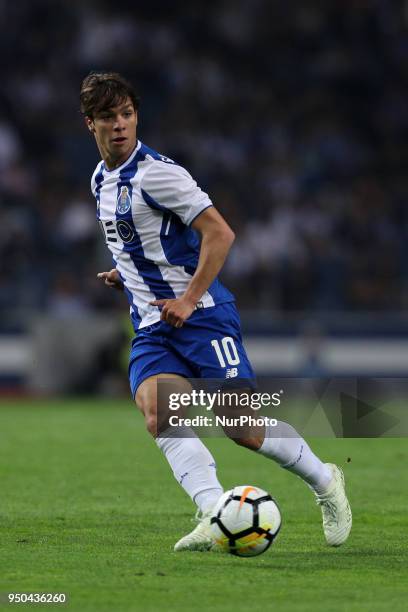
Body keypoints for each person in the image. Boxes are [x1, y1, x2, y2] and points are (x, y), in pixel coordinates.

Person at [80, 71, 352, 551]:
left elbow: (220, 234)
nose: (120, 125)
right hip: (151, 325)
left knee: (241, 427)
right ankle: (211, 512)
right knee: (159, 412)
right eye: (108, 117)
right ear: (91, 124)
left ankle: (326, 481)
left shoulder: (159, 173)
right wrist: (127, 273)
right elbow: (149, 242)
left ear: (136, 116)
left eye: (127, 114)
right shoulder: (102, 179)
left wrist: (186, 298)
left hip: (202, 315)